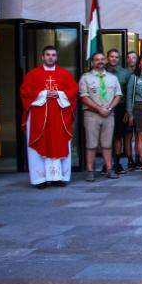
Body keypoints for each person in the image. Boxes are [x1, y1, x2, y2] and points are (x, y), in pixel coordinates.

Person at [20, 46, 78, 188]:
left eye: (53, 55)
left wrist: (59, 94)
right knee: (39, 145)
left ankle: (58, 177)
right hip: (38, 118)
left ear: (56, 57)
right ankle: (40, 179)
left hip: (59, 117)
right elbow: (24, 92)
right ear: (42, 57)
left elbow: (74, 89)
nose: (50, 57)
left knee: (59, 143)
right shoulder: (33, 74)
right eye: (48, 55)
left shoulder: (64, 74)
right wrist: (43, 94)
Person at [79, 52, 123, 181]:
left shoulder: (112, 78)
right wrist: (99, 109)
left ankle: (109, 169)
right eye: (97, 59)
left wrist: (109, 108)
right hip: (92, 115)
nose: (100, 61)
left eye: (102, 59)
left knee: (107, 144)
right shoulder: (85, 78)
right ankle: (90, 171)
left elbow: (118, 95)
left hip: (108, 115)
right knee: (91, 144)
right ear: (92, 62)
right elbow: (84, 97)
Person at [104, 49, 132, 174]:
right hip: (104, 106)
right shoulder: (102, 71)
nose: (114, 59)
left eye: (116, 57)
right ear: (107, 58)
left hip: (120, 107)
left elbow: (128, 93)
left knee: (118, 136)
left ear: (119, 59)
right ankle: (107, 163)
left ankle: (117, 163)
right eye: (111, 56)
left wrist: (127, 110)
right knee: (106, 136)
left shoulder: (125, 73)